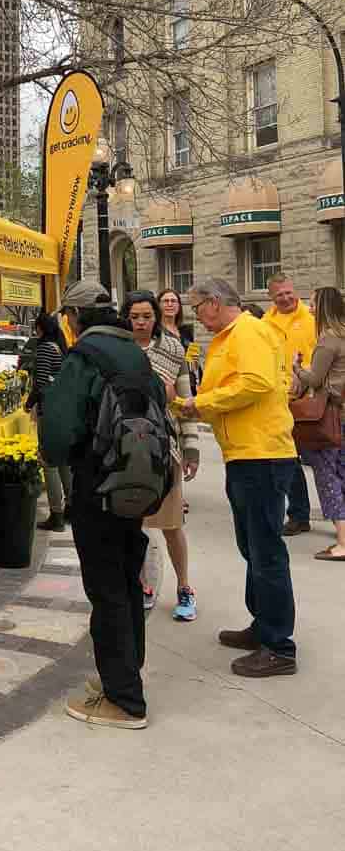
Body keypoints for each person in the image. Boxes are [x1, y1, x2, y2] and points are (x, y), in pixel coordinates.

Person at [40, 279, 166, 730]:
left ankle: (125, 701)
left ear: (74, 318)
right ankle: (125, 674)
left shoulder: (82, 359)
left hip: (98, 487)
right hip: (138, 486)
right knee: (127, 581)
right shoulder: (135, 353)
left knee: (106, 588)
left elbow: (56, 438)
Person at [182, 277, 298, 677]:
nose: (197, 317)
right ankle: (263, 624)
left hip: (261, 455)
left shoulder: (247, 331)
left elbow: (255, 383)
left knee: (265, 552)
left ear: (215, 303)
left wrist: (200, 404)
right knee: (253, 548)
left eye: (197, 309)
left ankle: (279, 646)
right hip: (246, 454)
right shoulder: (234, 334)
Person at [121, 291, 199, 622]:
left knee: (170, 524)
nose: (141, 322)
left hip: (165, 448)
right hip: (126, 448)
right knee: (132, 525)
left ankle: (184, 587)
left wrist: (192, 447)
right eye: (135, 316)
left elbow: (185, 400)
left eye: (146, 316)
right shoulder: (118, 351)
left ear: (156, 317)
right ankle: (141, 584)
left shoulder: (172, 350)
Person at [292, 287, 345, 561]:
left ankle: (342, 543)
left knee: (327, 477)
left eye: (312, 304)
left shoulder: (328, 341)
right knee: (342, 473)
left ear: (323, 307)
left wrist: (297, 368)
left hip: (331, 416)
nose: (309, 308)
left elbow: (314, 380)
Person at [265, 272, 317, 536]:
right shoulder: (266, 323)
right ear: (271, 297)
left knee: (326, 460)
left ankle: (340, 516)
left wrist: (307, 377)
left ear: (294, 290)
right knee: (289, 460)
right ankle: (299, 515)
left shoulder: (312, 318)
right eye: (279, 295)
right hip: (280, 401)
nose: (285, 298)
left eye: (288, 292)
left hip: (313, 399)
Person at [26, 312, 71, 532]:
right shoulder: (60, 347)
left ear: (40, 329)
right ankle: (71, 508)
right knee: (63, 462)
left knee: (49, 462)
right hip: (64, 410)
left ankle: (57, 514)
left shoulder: (44, 349)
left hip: (50, 412)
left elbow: (41, 383)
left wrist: (28, 403)